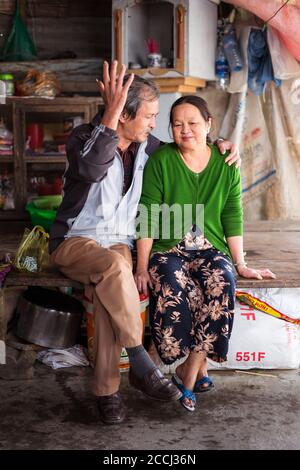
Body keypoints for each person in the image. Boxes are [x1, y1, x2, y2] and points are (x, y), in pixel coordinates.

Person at [49, 62, 241, 425]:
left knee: (112, 283)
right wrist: (110, 114)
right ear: (123, 115)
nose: (155, 124)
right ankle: (140, 363)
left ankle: (108, 395)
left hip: (118, 244)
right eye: (150, 116)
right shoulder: (83, 137)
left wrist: (221, 144)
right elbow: (90, 169)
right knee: (111, 269)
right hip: (76, 240)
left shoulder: (146, 147)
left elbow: (186, 144)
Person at [135, 95, 276, 412]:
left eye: (193, 123)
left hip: (210, 246)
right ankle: (190, 368)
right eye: (177, 124)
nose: (185, 130)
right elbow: (148, 215)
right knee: (174, 283)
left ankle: (187, 377)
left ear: (209, 124)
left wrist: (241, 263)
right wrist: (142, 267)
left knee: (222, 282)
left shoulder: (226, 164)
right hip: (168, 247)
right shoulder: (162, 161)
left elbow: (232, 215)